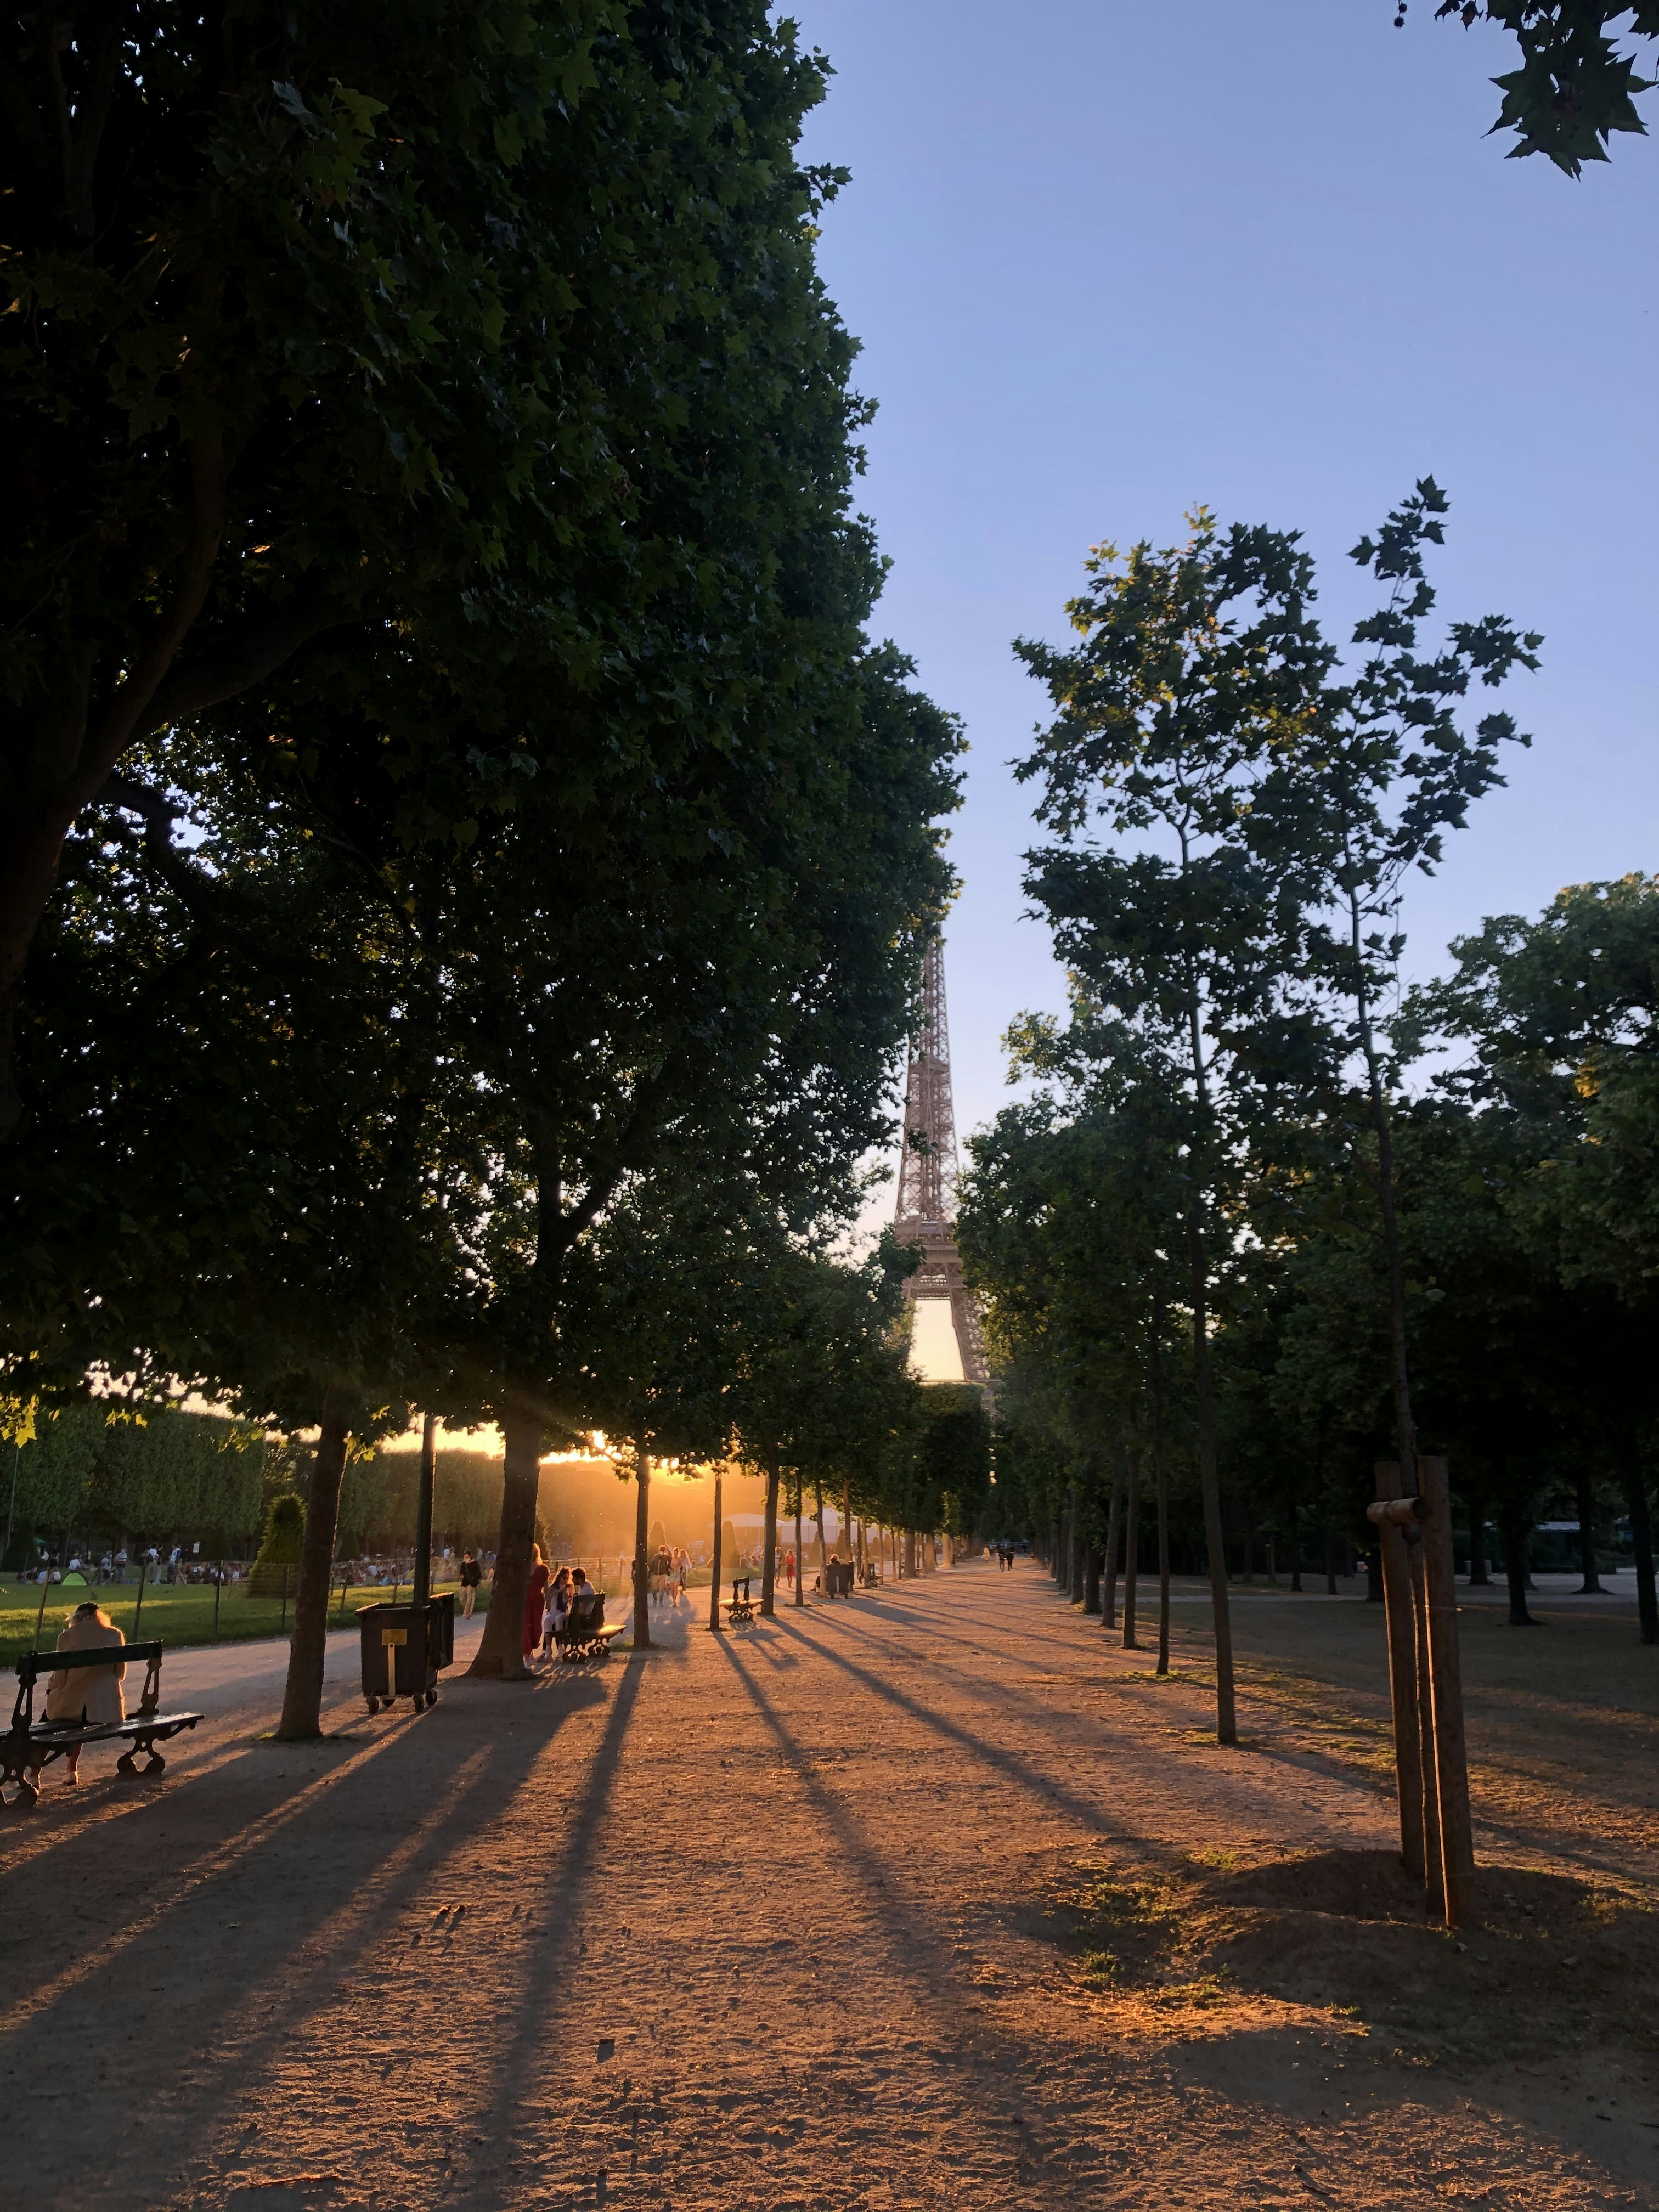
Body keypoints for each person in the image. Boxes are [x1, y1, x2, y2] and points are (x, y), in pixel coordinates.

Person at [37, 1602, 126, 1786]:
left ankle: (34, 1773)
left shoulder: (66, 1637)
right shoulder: (115, 1634)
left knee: (50, 1721)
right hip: (106, 1707)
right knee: (81, 1717)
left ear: (76, 1618)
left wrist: (50, 1687)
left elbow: (59, 1678)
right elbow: (120, 1675)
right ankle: (72, 1770)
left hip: (74, 1706)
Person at [523, 1544, 550, 1661]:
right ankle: (527, 1653)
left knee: (536, 1627)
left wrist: (549, 1601)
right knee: (526, 1626)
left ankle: (533, 1646)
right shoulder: (523, 1569)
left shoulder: (543, 1569)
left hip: (538, 1601)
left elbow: (546, 1587)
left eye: (534, 1552)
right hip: (526, 1601)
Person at [542, 1566, 572, 1659]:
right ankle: (548, 1649)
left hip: (562, 1611)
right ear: (559, 1577)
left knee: (559, 1619)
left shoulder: (569, 1587)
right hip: (553, 1611)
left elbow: (571, 1601)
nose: (566, 1580)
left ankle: (560, 1647)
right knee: (547, 1620)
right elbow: (546, 1597)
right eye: (564, 1578)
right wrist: (556, 1593)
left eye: (568, 1578)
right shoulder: (553, 1587)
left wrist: (568, 1598)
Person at [458, 1549, 483, 1617]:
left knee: (470, 1598)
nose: (466, 1558)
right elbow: (461, 1573)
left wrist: (480, 1583)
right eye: (465, 1557)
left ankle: (466, 1613)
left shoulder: (475, 1563)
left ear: (470, 1556)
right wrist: (461, 1576)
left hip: (472, 1583)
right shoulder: (464, 1564)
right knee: (462, 1598)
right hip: (465, 1583)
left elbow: (478, 1573)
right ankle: (468, 1610)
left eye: (467, 1557)